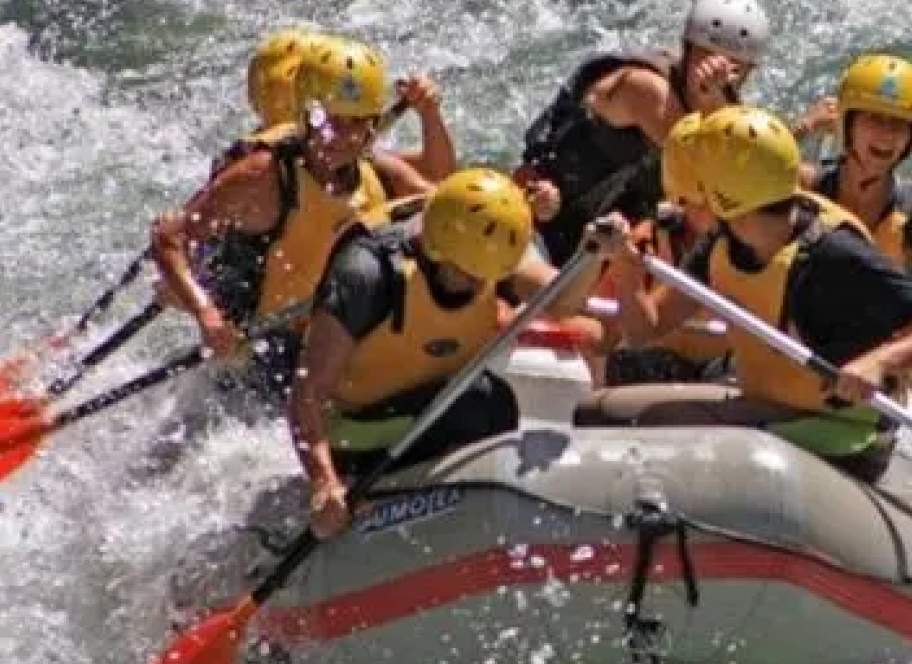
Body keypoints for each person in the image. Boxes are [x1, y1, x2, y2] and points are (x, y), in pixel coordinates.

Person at [600, 107, 912, 481]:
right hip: (770, 407)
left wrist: (880, 362)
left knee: (652, 430)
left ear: (724, 193)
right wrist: (626, 269)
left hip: (841, 430)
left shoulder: (833, 254)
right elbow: (643, 332)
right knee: (598, 414)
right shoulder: (722, 241)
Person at [290, 168, 627, 538]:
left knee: (493, 401)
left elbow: (561, 300)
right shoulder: (367, 274)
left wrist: (591, 253)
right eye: (468, 274)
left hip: (430, 405)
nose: (478, 284)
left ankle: (458, 506)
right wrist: (324, 482)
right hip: (356, 433)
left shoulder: (486, 248)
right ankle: (397, 509)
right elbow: (308, 393)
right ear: (436, 249)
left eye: (487, 275)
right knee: (479, 404)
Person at [152, 36, 441, 399]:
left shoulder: (377, 169)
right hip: (260, 349)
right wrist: (203, 311)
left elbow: (441, 204)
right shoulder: (262, 176)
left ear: (372, 124)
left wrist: (430, 114)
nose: (338, 136)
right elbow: (169, 239)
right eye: (326, 119)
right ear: (304, 113)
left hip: (330, 337)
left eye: (354, 124)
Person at [519, 0, 771, 265]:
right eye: (707, 55)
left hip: (619, 230)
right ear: (687, 49)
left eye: (734, 67)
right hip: (550, 219)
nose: (716, 70)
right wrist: (715, 103)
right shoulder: (647, 90)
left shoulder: (723, 101)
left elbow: (750, 171)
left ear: (748, 72)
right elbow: (706, 175)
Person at [795, 54, 912, 309]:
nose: (887, 135)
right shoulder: (807, 187)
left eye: (899, 124)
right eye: (874, 119)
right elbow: (743, 172)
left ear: (911, 137)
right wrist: (804, 127)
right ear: (848, 125)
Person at [598, 111, 729, 385]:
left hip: (731, 369)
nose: (722, 214)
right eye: (704, 203)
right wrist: (626, 268)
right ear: (680, 199)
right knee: (628, 364)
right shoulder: (646, 242)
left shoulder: (754, 240)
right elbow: (609, 335)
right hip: (667, 370)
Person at [244, 28, 458, 183]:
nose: (343, 134)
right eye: (331, 118)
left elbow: (438, 177)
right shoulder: (252, 172)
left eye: (355, 120)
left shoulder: (358, 157)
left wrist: (429, 113)